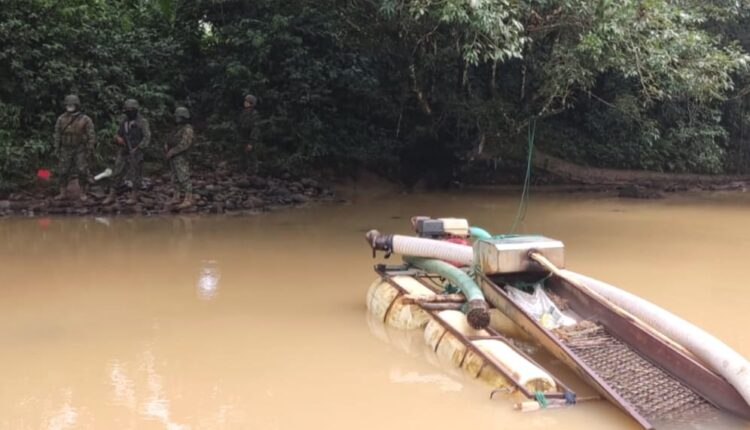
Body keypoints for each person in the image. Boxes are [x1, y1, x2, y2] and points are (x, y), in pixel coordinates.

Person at [103, 99, 151, 205]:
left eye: (131, 110)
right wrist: (117, 138)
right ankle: (112, 195)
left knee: (135, 174)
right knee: (117, 172)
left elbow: (147, 138)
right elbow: (117, 133)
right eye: (127, 110)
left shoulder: (142, 122)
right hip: (124, 150)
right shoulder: (124, 120)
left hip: (136, 151)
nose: (129, 112)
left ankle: (134, 195)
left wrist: (138, 148)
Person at [53, 94, 95, 201]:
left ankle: (82, 192)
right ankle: (62, 192)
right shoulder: (61, 119)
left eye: (72, 105)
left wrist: (90, 149)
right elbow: (57, 134)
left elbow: (91, 135)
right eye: (68, 104)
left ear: (77, 105)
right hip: (65, 148)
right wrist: (56, 148)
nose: (70, 106)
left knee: (82, 170)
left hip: (79, 148)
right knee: (63, 171)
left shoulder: (85, 119)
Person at [165, 106, 194, 209]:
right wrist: (167, 147)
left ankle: (188, 198)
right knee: (175, 178)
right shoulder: (177, 128)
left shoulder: (188, 129)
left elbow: (185, 144)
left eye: (179, 116)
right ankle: (176, 197)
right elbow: (170, 139)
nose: (177, 118)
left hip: (181, 156)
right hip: (173, 156)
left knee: (183, 177)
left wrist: (173, 151)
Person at [237, 94, 261, 173]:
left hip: (250, 137)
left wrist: (251, 142)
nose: (245, 102)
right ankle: (242, 171)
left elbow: (255, 129)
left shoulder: (254, 114)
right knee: (242, 156)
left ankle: (253, 173)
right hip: (242, 137)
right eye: (245, 101)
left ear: (251, 103)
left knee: (251, 155)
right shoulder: (243, 112)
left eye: (247, 101)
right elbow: (240, 125)